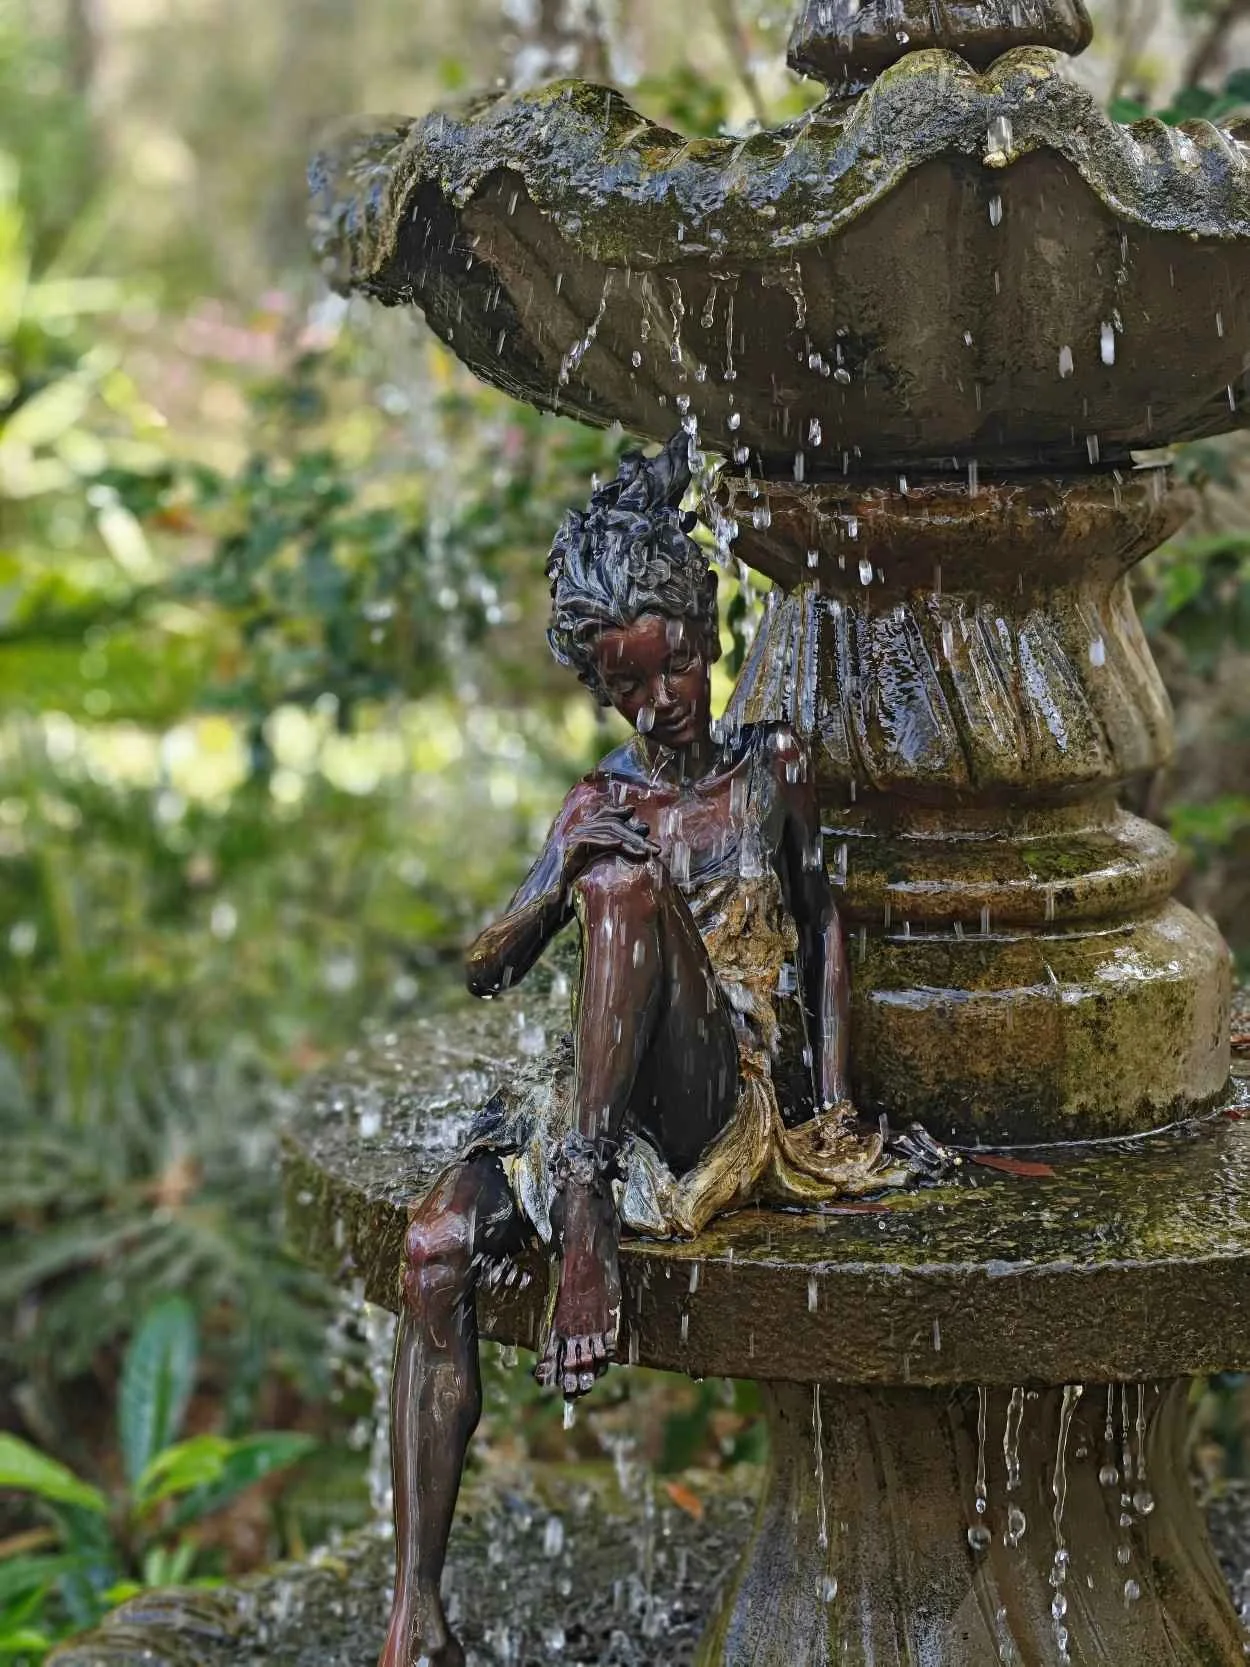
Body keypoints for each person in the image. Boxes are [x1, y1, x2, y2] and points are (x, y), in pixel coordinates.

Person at [378, 432, 937, 1667]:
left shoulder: (767, 768)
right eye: (631, 689)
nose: (664, 701)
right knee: (429, 1248)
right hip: (596, 1104)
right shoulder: (599, 801)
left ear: (703, 632)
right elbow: (487, 963)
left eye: (677, 665)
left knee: (630, 897)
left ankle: (580, 1210)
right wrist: (558, 872)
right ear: (602, 689)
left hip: (712, 1087)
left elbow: (825, 920)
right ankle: (413, 1616)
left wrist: (833, 1096)